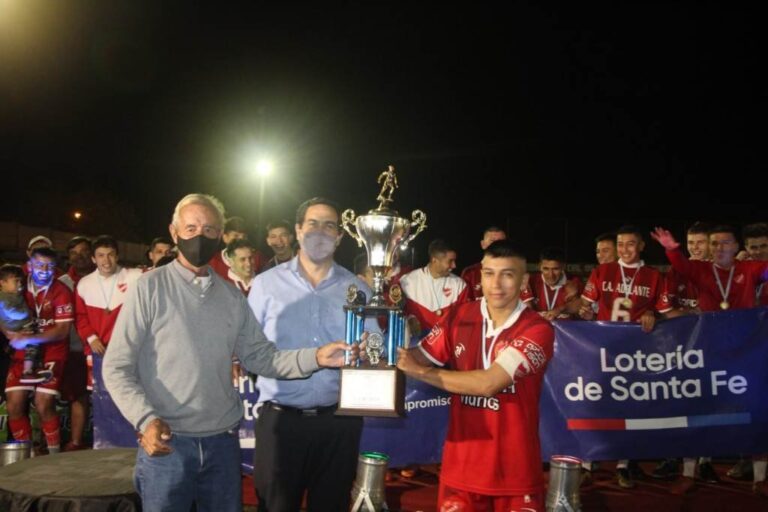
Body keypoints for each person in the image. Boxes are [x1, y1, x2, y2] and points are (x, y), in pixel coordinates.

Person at [103, 193, 355, 512]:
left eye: (209, 229)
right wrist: (146, 419)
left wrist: (317, 357)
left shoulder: (231, 298)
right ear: (174, 232)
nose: (199, 236)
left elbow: (262, 358)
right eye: (191, 227)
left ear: (220, 236)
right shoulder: (149, 288)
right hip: (167, 442)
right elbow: (116, 367)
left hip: (222, 443)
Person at [396, 240, 554, 511]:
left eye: (508, 274)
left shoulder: (538, 329)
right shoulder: (458, 315)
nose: (497, 284)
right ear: (480, 275)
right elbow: (413, 358)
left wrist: (421, 372)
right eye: (489, 273)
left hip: (515, 472)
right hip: (461, 470)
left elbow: (488, 383)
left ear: (524, 280)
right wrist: (373, 353)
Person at [248, 196, 375, 512]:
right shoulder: (265, 285)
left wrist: (372, 349)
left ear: (340, 237)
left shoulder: (358, 289)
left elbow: (376, 347)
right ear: (298, 230)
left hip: (338, 422)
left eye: (329, 225)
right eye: (313, 223)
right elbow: (250, 352)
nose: (321, 231)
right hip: (281, 423)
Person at [652, 225, 768, 495]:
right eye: (714, 244)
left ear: (736, 247)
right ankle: (688, 473)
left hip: (745, 351)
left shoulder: (749, 270)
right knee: (698, 411)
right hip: (709, 351)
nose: (719, 248)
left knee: (755, 412)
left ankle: (760, 479)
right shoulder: (702, 270)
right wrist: (671, 248)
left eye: (725, 243)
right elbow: (680, 264)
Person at [579, 225, 670, 488]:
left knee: (628, 408)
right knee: (595, 404)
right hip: (602, 350)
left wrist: (656, 315)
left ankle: (623, 465)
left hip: (635, 354)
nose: (625, 249)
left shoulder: (653, 276)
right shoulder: (601, 271)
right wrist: (585, 312)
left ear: (641, 246)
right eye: (620, 244)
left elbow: (665, 312)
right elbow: (586, 306)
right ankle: (587, 463)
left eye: (631, 244)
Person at [74, 234, 143, 449]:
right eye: (101, 256)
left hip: (129, 351)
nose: (106, 260)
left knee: (132, 394)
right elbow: (80, 317)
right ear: (93, 259)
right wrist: (92, 337)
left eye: (111, 255)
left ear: (118, 256)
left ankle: (137, 442)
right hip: (99, 352)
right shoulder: (84, 284)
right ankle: (106, 445)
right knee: (102, 398)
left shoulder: (135, 276)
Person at [4, 247, 73, 455]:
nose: (44, 270)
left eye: (50, 266)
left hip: (53, 352)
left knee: (43, 404)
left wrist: (29, 337)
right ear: (30, 264)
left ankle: (53, 456)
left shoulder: (62, 291)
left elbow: (62, 330)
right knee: (14, 406)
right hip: (21, 353)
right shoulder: (18, 283)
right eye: (39, 265)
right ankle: (26, 455)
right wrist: (9, 333)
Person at [57, 235, 96, 451]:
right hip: (72, 349)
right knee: (77, 396)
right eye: (73, 253)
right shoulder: (62, 283)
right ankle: (76, 441)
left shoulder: (103, 278)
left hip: (100, 348)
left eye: (83, 252)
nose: (78, 257)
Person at [401, 239, 468, 335]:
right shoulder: (408, 282)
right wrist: (409, 320)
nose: (454, 265)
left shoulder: (460, 285)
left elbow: (464, 319)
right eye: (450, 261)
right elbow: (399, 313)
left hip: (446, 344)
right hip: (416, 343)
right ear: (434, 260)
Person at [0, 265, 41, 382]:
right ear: (2, 282)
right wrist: (28, 312)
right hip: (18, 328)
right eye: (16, 281)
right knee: (33, 343)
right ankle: (27, 370)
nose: (20, 284)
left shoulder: (16, 295)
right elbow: (13, 313)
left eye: (20, 281)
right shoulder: (3, 298)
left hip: (24, 326)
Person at [521, 247, 582, 321]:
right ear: (540, 266)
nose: (551, 275)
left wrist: (560, 309)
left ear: (563, 267)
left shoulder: (573, 282)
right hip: (537, 330)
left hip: (564, 331)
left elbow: (582, 304)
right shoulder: (530, 282)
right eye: (546, 269)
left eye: (555, 269)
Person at [460, 226, 507, 301]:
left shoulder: (515, 272)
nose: (498, 245)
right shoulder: (470, 273)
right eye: (492, 241)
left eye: (501, 242)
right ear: (483, 244)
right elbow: (464, 306)